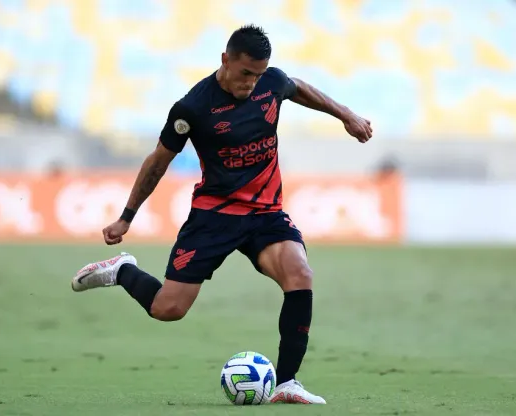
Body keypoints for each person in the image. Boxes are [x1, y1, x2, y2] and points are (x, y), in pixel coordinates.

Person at [71, 24, 372, 405]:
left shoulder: (271, 83)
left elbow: (297, 87)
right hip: (214, 215)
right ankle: (121, 270)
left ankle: (287, 382)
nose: (252, 83)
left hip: (265, 211)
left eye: (259, 75)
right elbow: (157, 162)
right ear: (225, 60)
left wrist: (346, 115)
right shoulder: (192, 108)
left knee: (300, 273)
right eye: (246, 73)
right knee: (168, 308)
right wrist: (127, 216)